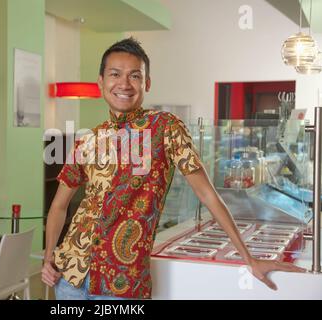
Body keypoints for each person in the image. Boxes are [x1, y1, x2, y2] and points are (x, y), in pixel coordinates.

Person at [41, 37, 306, 300]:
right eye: (115, 74)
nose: (124, 83)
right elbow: (59, 206)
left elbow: (208, 195)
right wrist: (48, 256)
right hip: (69, 277)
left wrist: (249, 258)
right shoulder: (88, 140)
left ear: (147, 83)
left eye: (134, 76)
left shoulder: (165, 127)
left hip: (122, 284)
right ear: (101, 82)